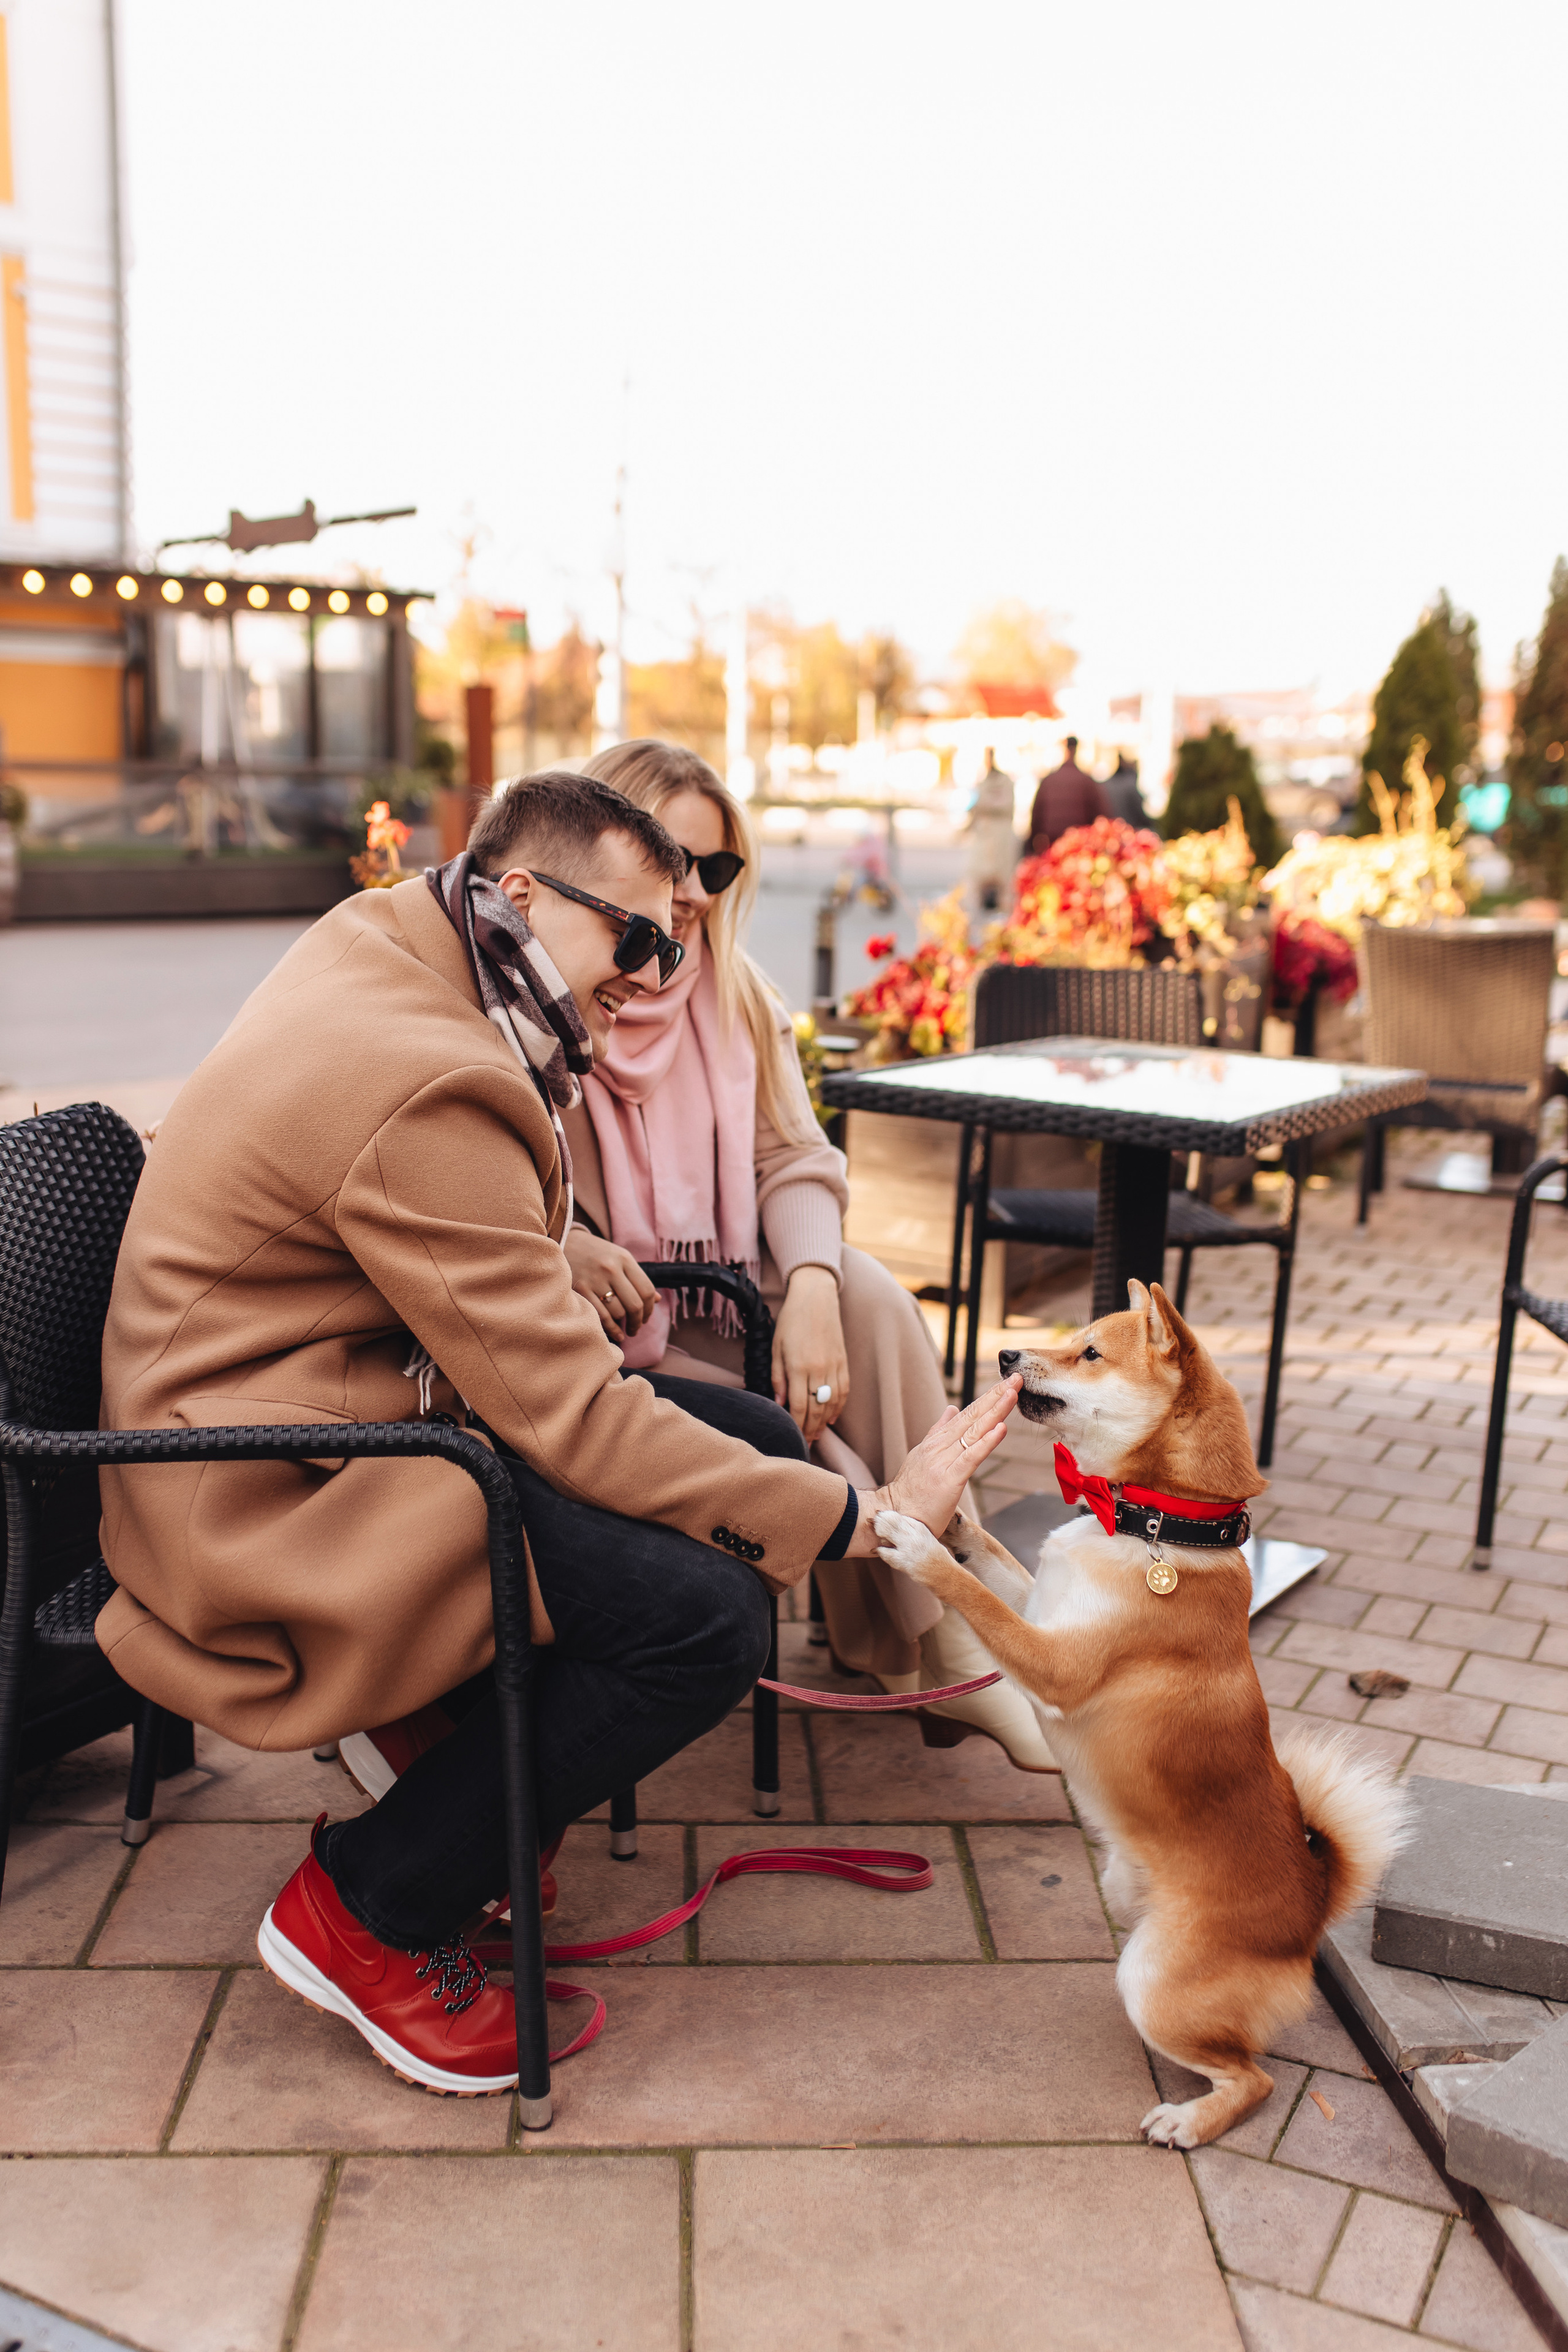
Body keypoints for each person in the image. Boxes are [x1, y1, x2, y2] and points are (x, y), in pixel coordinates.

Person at [96, 769, 1021, 2094]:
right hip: (252, 1488)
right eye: (633, 936)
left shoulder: (403, 940)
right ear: (522, 893)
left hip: (334, 1414)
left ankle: (459, 1779)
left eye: (676, 942)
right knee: (702, 1624)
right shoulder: (432, 1076)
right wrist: (865, 1523)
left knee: (751, 1433)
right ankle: (369, 1910)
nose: (652, 974)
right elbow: (576, 1419)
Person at [563, 739, 1054, 1772]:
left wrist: (818, 1289)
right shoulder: (556, 996)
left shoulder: (734, 994)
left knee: (869, 1297)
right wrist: (568, 1241)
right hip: (609, 1329)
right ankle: (938, 1633)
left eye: (717, 867)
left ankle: (946, 1625)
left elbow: (793, 1159)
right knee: (797, 1388)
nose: (696, 894)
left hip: (723, 1294)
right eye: (673, 862)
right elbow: (494, 1185)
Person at [1028, 734, 1109, 853]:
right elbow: (1101, 815)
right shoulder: (1087, 781)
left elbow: (1036, 815)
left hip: (1053, 844)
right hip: (1079, 846)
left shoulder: (1049, 781)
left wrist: (1032, 843)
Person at [964, 747, 1020, 913]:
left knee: (1001, 873)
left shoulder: (1004, 783)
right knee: (982, 872)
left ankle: (1002, 904)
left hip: (998, 833)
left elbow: (1006, 808)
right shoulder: (985, 782)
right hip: (988, 832)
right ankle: (982, 903)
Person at [1101, 751, 1148, 828]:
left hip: (1114, 825)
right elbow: (1139, 810)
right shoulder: (1129, 783)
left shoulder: (1106, 784)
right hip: (1129, 826)